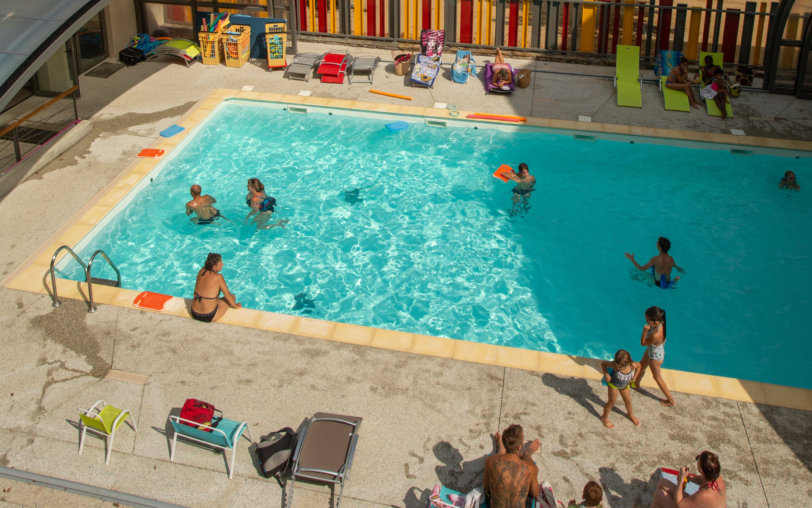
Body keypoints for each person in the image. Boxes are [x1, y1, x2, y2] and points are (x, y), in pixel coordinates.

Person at [638, 451, 726, 508]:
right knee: (663, 483)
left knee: (659, 495)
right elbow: (700, 479)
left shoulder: (704, 495)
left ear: (702, 471)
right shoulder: (717, 477)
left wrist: (681, 480)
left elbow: (678, 505)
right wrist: (687, 477)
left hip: (683, 504)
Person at [483, 424, 542, 508]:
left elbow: (486, 487)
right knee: (533, 473)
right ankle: (527, 453)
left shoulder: (490, 461)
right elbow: (535, 493)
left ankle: (502, 449)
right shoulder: (530, 468)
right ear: (519, 447)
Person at [633, 306, 676, 407]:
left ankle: (670, 400)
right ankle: (636, 384)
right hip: (651, 350)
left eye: (648, 320)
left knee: (657, 377)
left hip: (655, 357)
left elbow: (643, 343)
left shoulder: (656, 335)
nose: (646, 322)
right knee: (641, 366)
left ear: (655, 322)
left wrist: (644, 332)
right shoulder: (661, 323)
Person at [190, 253, 242, 323]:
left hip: (194, 313)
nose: (222, 264)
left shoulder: (201, 270)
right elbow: (227, 295)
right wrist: (236, 306)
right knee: (232, 297)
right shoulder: (218, 277)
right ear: (214, 266)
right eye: (220, 263)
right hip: (208, 316)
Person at [600, 349, 641, 429]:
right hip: (614, 385)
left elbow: (639, 366)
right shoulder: (614, 365)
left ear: (628, 363)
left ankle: (630, 414)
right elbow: (603, 364)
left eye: (620, 367)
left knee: (628, 401)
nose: (617, 367)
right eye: (616, 365)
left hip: (624, 386)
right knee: (611, 402)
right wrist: (607, 375)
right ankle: (604, 417)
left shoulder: (632, 365)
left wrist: (635, 376)